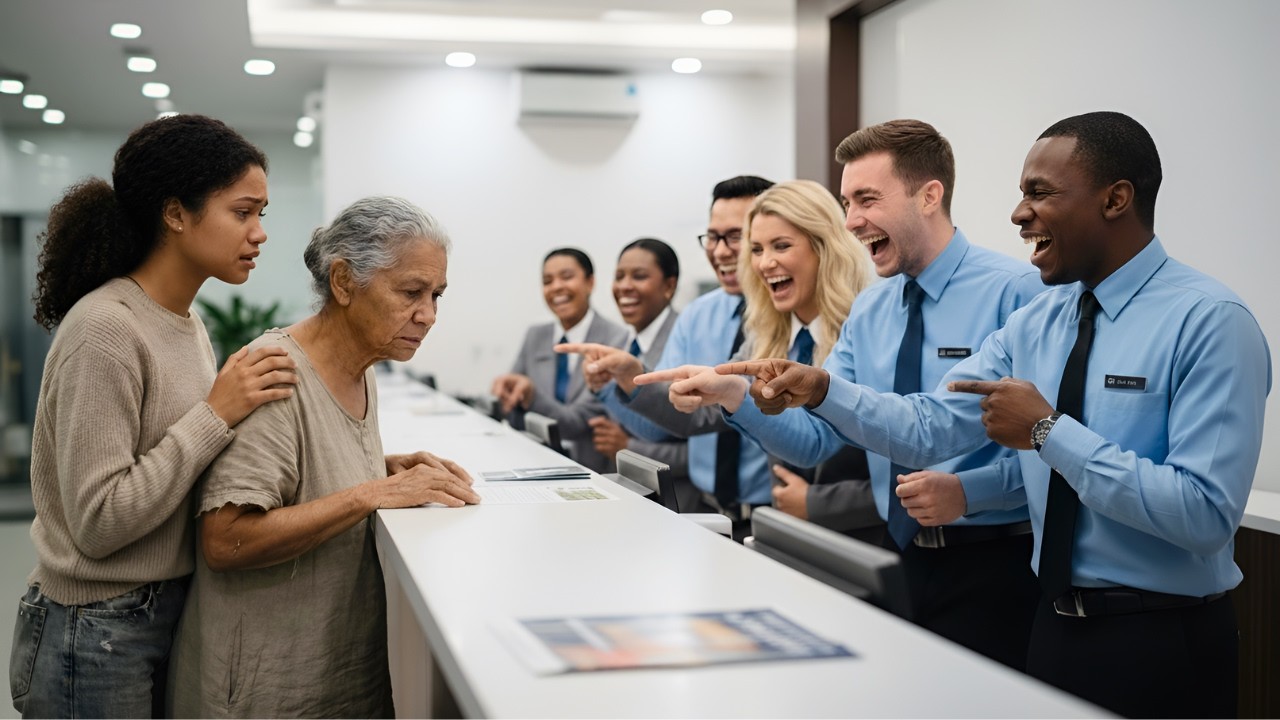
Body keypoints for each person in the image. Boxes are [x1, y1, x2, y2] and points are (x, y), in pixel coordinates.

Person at [718, 111, 1270, 718]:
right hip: (1052, 625)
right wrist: (823, 390)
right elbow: (928, 427)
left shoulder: (1210, 322)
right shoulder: (1038, 321)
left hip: (1164, 638)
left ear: (1116, 199)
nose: (1018, 214)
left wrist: (1047, 432)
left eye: (1040, 193)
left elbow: (1204, 515)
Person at [643, 119, 1047, 669]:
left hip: (996, 563)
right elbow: (815, 439)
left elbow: (1047, 440)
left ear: (930, 196)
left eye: (867, 200)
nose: (852, 220)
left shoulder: (1018, 292)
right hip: (894, 557)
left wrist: (971, 491)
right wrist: (733, 394)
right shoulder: (872, 308)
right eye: (847, 203)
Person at [9, 115, 297, 718]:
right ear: (175, 214)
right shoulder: (105, 328)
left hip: (157, 612)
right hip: (93, 630)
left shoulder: (188, 325)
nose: (259, 232)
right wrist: (215, 413)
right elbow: (99, 522)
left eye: (261, 214)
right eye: (242, 212)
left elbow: (189, 468)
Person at [166, 196, 480, 717]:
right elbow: (226, 539)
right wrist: (373, 491)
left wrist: (382, 467)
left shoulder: (361, 366)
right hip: (268, 690)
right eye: (411, 293)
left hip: (338, 674)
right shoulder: (276, 372)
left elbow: (306, 470)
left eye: (436, 296)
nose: (427, 315)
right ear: (343, 282)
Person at [570, 179, 876, 542]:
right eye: (756, 248)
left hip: (853, 537)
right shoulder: (766, 332)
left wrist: (821, 503)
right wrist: (630, 378)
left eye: (777, 245)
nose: (761, 261)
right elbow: (699, 415)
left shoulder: (866, 324)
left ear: (824, 246)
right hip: (778, 529)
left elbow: (863, 449)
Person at [555, 176, 774, 530]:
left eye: (736, 236)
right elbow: (667, 423)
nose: (720, 251)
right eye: (713, 237)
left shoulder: (785, 317)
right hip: (705, 512)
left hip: (770, 514)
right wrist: (621, 382)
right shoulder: (697, 315)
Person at [491, 248, 628, 473]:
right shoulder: (535, 336)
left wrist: (531, 395)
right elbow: (512, 407)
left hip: (590, 471)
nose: (556, 287)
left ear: (590, 283)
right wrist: (506, 394)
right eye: (547, 281)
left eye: (566, 277)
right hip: (532, 461)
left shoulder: (616, 340)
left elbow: (580, 422)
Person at [585, 238, 691, 493]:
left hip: (677, 500)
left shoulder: (686, 340)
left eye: (639, 276)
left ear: (669, 286)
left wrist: (628, 448)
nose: (625, 286)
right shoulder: (622, 342)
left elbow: (698, 449)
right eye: (619, 276)